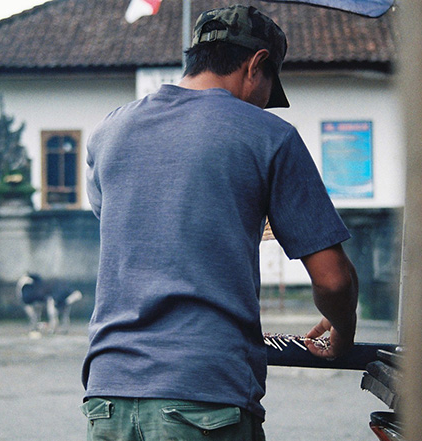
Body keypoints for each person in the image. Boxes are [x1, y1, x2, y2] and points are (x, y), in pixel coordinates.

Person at [80, 5, 358, 440]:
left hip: (107, 397)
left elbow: (134, 230)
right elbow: (333, 280)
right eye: (269, 89)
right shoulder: (268, 135)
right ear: (257, 65)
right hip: (205, 398)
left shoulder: (108, 132)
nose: (264, 101)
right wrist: (343, 328)